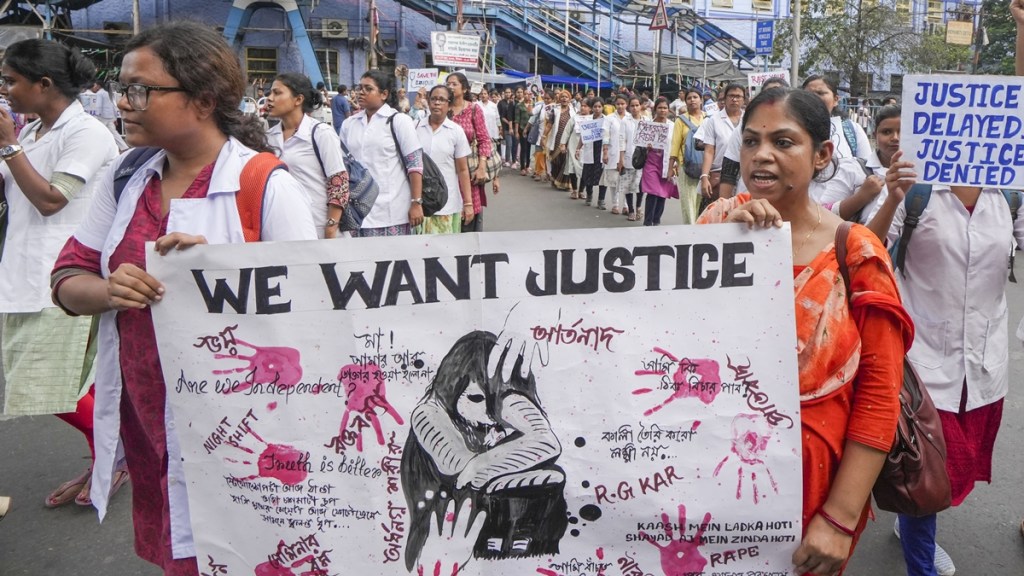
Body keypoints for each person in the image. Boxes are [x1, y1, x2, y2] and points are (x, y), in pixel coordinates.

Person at [50, 21, 316, 575]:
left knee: (249, 554)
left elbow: (312, 321)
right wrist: (107, 288)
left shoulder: (264, 186)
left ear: (203, 99)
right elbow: (68, 280)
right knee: (179, 551)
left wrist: (221, 276)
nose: (123, 102)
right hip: (148, 416)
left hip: (242, 429)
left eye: (141, 89)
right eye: (122, 87)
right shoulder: (127, 177)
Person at [698, 86, 910, 576]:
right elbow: (660, 333)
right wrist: (726, 244)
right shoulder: (713, 223)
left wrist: (840, 517)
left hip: (807, 493)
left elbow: (880, 394)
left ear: (822, 156)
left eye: (784, 142)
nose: (762, 155)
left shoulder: (856, 254)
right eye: (750, 141)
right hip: (703, 471)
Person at [864, 143, 1023, 575]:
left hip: (983, 364)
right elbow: (865, 249)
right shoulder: (916, 190)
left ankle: (912, 519)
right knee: (922, 470)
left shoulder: (1009, 193)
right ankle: (921, 561)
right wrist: (894, 196)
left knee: (952, 471)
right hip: (923, 360)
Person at [0, 39, 122, 509]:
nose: (6, 90)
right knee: (64, 385)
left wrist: (7, 146)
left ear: (43, 84)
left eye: (11, 80)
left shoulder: (86, 133)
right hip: (24, 270)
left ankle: (116, 454)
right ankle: (107, 457)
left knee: (53, 388)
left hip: (61, 275)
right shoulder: (34, 133)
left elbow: (53, 200)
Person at [265, 72, 349, 239]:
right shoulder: (268, 137)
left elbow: (339, 183)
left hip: (318, 228)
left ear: (298, 100)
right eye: (270, 93)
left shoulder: (320, 133)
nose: (269, 98)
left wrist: (331, 227)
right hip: (282, 229)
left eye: (277, 93)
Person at [341, 70, 424, 236]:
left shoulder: (399, 121)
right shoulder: (349, 124)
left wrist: (416, 202)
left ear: (384, 94)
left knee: (393, 261)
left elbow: (415, 165)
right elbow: (342, 166)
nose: (361, 92)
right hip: (357, 213)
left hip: (392, 212)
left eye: (368, 88)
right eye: (359, 88)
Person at [414, 85, 473, 234]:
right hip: (419, 204)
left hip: (446, 204)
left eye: (442, 100)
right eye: (433, 99)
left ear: (449, 104)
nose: (437, 103)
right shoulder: (414, 128)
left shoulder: (456, 132)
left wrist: (468, 203)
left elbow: (463, 169)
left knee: (444, 252)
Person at [718, 76, 790, 200]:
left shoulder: (797, 127)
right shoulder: (745, 126)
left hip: (787, 201)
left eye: (782, 143)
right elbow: (729, 170)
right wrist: (723, 208)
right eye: (750, 142)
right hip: (748, 201)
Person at [447, 73, 492, 232]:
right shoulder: (443, 110)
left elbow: (484, 139)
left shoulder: (473, 109)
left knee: (469, 217)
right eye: (448, 84)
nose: (450, 87)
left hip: (469, 171)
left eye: (454, 84)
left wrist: (481, 167)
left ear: (464, 88)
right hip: (447, 171)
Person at [695, 83, 744, 207]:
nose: (734, 99)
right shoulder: (714, 120)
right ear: (725, 98)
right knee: (715, 216)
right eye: (731, 96)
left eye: (738, 96)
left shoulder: (749, 119)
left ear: (744, 99)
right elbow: (709, 150)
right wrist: (705, 176)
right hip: (718, 175)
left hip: (743, 175)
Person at [802, 75, 871, 162]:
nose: (814, 98)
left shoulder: (853, 129)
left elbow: (867, 166)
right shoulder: (793, 127)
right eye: (809, 94)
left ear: (835, 100)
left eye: (820, 93)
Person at [669, 88, 706, 223]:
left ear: (701, 100)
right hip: (685, 166)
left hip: (706, 167)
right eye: (689, 98)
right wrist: (670, 168)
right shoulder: (681, 121)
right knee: (688, 202)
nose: (692, 100)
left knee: (702, 201)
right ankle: (689, 232)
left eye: (695, 97)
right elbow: (675, 145)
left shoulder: (708, 119)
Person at [639, 97, 677, 226]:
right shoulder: (648, 125)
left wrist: (674, 165)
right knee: (652, 191)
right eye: (660, 108)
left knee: (662, 193)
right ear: (655, 109)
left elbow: (676, 145)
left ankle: (657, 220)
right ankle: (648, 221)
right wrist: (646, 146)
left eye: (665, 108)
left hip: (667, 162)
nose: (662, 110)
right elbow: (639, 142)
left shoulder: (673, 126)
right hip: (651, 161)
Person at [80, 80, 128, 151]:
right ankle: (124, 147)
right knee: (114, 133)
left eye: (95, 85)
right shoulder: (108, 93)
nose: (94, 86)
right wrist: (115, 117)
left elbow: (98, 105)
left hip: (102, 117)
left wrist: (96, 116)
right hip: (110, 116)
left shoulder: (99, 93)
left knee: (97, 131)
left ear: (99, 86)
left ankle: (96, 147)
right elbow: (113, 105)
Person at [575, 97, 604, 207]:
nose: (597, 109)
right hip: (590, 150)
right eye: (595, 106)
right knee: (588, 175)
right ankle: (589, 195)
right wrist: (578, 148)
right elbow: (583, 136)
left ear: (602, 107)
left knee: (602, 177)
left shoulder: (607, 120)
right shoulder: (587, 121)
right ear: (592, 108)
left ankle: (601, 199)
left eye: (599, 106)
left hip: (601, 150)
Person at [544, 90, 575, 192]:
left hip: (569, 140)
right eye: (562, 97)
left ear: (569, 99)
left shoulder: (573, 111)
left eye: (566, 97)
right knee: (556, 161)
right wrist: (544, 135)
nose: (564, 99)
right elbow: (549, 124)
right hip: (556, 139)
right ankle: (555, 179)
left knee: (566, 161)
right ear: (559, 99)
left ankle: (565, 184)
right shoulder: (555, 110)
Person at [600, 94, 626, 213]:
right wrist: (605, 152)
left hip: (627, 153)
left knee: (626, 180)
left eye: (623, 104)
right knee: (613, 179)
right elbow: (605, 135)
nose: (620, 106)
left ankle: (626, 205)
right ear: (615, 105)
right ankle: (615, 204)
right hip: (612, 152)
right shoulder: (609, 118)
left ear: (626, 104)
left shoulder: (630, 118)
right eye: (618, 104)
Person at [621, 96, 644, 221]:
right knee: (628, 185)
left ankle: (639, 206)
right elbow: (622, 140)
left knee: (640, 185)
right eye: (632, 106)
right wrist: (621, 159)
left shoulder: (647, 120)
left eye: (637, 105)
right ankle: (631, 210)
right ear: (629, 107)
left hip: (642, 158)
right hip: (629, 157)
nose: (635, 108)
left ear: (641, 106)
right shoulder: (625, 121)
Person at [563, 97, 589, 200]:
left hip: (587, 148)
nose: (583, 108)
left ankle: (582, 190)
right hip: (573, 145)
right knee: (572, 167)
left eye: (585, 106)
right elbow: (566, 131)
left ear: (590, 108)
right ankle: (574, 190)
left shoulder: (593, 119)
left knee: (585, 168)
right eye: (582, 105)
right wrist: (562, 144)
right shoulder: (574, 118)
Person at [498, 87, 517, 167]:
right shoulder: (501, 103)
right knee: (509, 144)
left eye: (509, 92)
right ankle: (507, 160)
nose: (507, 94)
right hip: (506, 127)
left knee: (514, 144)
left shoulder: (513, 102)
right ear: (504, 93)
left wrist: (513, 124)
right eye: (506, 92)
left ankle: (514, 160)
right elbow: (501, 116)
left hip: (515, 127)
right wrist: (509, 124)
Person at [516, 91, 533, 175]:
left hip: (531, 130)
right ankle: (522, 167)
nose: (527, 95)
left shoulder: (534, 105)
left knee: (529, 149)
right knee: (524, 148)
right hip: (522, 129)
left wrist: (531, 107)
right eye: (525, 94)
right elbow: (517, 120)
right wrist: (516, 132)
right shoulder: (519, 105)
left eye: (529, 94)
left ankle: (527, 166)